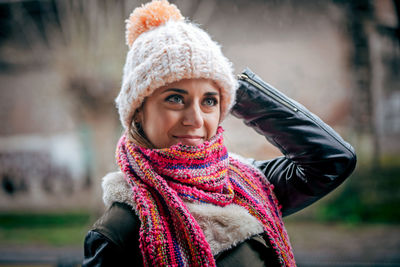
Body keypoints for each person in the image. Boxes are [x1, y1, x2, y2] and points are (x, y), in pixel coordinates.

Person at [83, 1, 356, 266]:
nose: (195, 119)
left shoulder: (247, 184)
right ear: (138, 111)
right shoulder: (118, 230)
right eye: (175, 99)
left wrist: (237, 91)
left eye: (210, 101)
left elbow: (332, 159)